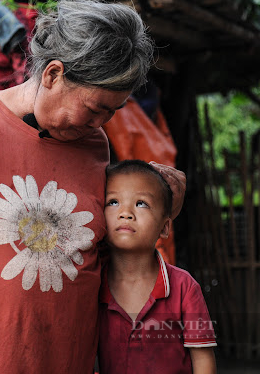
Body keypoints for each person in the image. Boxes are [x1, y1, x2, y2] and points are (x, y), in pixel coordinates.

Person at [0, 0, 186, 373]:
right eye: (95, 108)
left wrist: (158, 205)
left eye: (112, 112)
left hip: (66, 359)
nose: (100, 123)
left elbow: (109, 258)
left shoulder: (95, 143)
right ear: (52, 74)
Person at [98, 160, 216, 374]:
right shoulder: (92, 284)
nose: (126, 213)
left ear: (164, 227)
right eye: (113, 202)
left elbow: (203, 360)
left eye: (141, 203)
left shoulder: (184, 287)